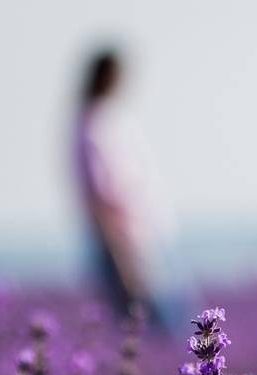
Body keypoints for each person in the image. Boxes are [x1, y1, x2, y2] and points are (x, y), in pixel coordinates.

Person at [72, 49, 192, 332]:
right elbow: (102, 197)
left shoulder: (108, 119)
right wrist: (121, 254)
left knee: (170, 326)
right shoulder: (95, 125)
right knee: (158, 329)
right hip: (127, 244)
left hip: (145, 237)